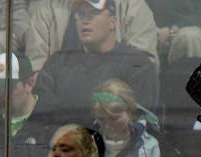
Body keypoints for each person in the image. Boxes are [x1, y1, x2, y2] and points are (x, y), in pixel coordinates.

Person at [33, 0, 159, 128]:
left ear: (113, 21)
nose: (85, 20)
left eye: (93, 13)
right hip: (61, 144)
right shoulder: (57, 63)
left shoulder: (138, 65)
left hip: (114, 144)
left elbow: (139, 126)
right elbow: (38, 121)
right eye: (81, 14)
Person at [25, 0, 158, 72]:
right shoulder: (46, 12)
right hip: (61, 107)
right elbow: (35, 71)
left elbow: (144, 68)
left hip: (115, 106)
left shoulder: (133, 7)